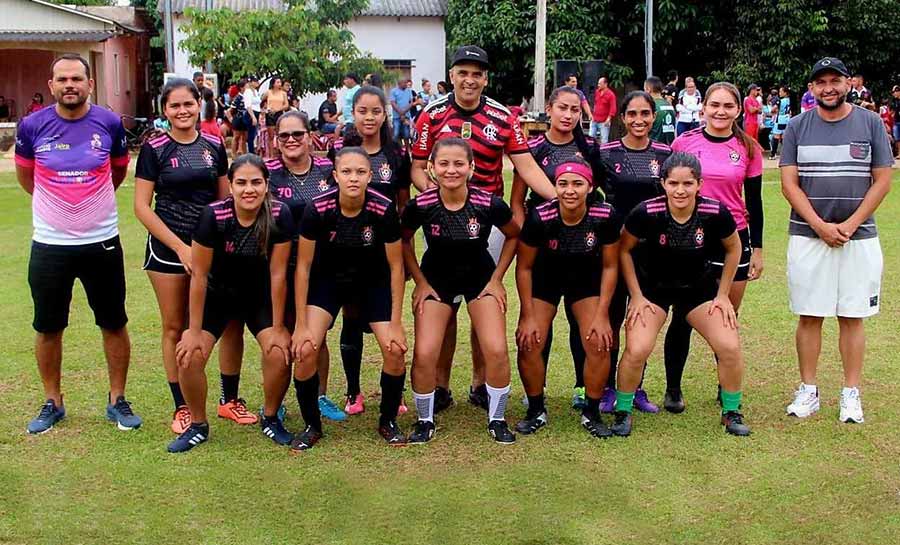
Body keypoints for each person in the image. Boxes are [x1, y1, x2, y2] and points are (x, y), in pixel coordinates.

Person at [412, 45, 556, 412]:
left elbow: (525, 166)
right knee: (444, 303)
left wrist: (560, 198)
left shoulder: (503, 116)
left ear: (486, 78)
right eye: (463, 72)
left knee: (482, 304)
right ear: (452, 75)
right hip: (444, 217)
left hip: (488, 220)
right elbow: (416, 167)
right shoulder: (430, 114)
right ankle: (440, 386)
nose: (470, 79)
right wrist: (441, 196)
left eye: (477, 73)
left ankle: (480, 382)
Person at [15, 53, 140, 434]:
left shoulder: (109, 123)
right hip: (50, 245)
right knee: (48, 327)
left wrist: (88, 211)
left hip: (101, 241)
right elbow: (26, 178)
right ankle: (53, 401)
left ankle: (117, 399)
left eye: (77, 78)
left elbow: (117, 173)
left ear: (90, 84)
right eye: (62, 79)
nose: (70, 85)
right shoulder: (32, 125)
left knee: (113, 322)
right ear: (51, 85)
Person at [780, 57, 892, 424]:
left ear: (849, 84)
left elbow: (882, 180)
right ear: (811, 88)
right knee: (810, 314)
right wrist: (820, 226)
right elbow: (789, 184)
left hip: (858, 238)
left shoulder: (871, 122)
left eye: (836, 81)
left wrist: (849, 223)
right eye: (821, 82)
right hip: (808, 235)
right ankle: (808, 391)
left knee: (852, 315)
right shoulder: (796, 126)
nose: (829, 88)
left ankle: (850, 395)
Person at [615, 152, 750, 437]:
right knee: (637, 348)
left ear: (699, 184)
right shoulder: (645, 212)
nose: (680, 190)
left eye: (688, 183)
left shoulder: (715, 212)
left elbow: (734, 248)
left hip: (698, 290)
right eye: (673, 183)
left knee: (729, 346)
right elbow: (623, 250)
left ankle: (731, 412)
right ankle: (623, 411)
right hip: (653, 290)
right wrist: (636, 296)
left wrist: (723, 294)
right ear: (663, 183)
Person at [170, 154, 295, 452]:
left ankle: (270, 417)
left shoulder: (280, 214)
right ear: (230, 185)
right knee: (189, 354)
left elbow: (278, 275)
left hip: (259, 296)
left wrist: (278, 327)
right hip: (218, 295)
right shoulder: (213, 215)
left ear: (267, 185)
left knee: (279, 352)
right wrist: (194, 329)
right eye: (241, 183)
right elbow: (199, 275)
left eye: (256, 182)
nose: (248, 189)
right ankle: (198, 424)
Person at [402, 138, 521, 444]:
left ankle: (497, 419)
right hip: (436, 281)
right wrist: (420, 281)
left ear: (471, 167)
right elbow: (402, 241)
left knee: (495, 348)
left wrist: (497, 279)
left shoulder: (488, 203)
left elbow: (513, 236)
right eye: (443, 163)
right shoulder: (422, 205)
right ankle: (425, 420)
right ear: (432, 167)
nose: (451, 170)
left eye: (458, 164)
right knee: (425, 352)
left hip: (480, 279)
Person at [134, 78, 235, 434]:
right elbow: (142, 208)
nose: (182, 111)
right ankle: (183, 407)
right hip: (168, 250)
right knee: (175, 327)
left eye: (188, 104)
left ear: (199, 105)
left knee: (223, 323)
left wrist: (218, 244)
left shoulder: (213, 143)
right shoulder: (154, 148)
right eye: (174, 106)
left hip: (210, 248)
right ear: (165, 110)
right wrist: (180, 247)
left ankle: (229, 400)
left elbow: (226, 200)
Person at [290, 147, 408, 451]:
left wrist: (396, 322)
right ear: (335, 176)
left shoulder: (383, 209)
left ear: (370, 176)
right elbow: (302, 267)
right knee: (304, 350)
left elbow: (396, 267)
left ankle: (388, 421)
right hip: (327, 283)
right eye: (346, 172)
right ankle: (311, 425)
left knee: (394, 350)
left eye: (360, 172)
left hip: (372, 283)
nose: (353, 178)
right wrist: (301, 324)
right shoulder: (317, 209)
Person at [664, 82, 763, 413]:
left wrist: (758, 249)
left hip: (734, 239)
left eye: (728, 106)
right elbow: (670, 190)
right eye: (714, 105)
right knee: (682, 315)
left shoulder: (748, 147)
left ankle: (726, 388)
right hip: (690, 238)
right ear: (702, 107)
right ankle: (673, 389)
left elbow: (755, 201)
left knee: (728, 316)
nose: (720, 112)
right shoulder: (684, 142)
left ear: (738, 110)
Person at [515, 158, 621, 438]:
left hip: (586, 281)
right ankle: (536, 409)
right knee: (529, 342)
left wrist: (602, 314)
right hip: (545, 279)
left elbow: (611, 266)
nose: (570, 190)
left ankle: (592, 412)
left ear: (590, 187)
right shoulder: (540, 217)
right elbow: (524, 267)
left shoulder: (604, 216)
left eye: (577, 184)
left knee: (599, 342)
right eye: (563, 184)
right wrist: (526, 315)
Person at [510, 86, 597, 410]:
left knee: (580, 322)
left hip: (581, 247)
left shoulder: (588, 148)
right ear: (549, 108)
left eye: (575, 110)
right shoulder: (531, 148)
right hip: (541, 244)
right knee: (536, 326)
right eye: (563, 108)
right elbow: (517, 202)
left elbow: (597, 198)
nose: (568, 115)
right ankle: (537, 390)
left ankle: (580, 385)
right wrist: (522, 239)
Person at [329, 85, 412, 416]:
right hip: (347, 251)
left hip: (385, 252)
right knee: (351, 317)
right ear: (354, 112)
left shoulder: (396, 154)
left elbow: (403, 203)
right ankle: (353, 392)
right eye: (363, 111)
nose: (369, 117)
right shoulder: (340, 149)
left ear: (385, 114)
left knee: (390, 319)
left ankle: (396, 391)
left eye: (376, 111)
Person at [595, 90, 674, 413]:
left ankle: (636, 388)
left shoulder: (666, 153)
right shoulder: (606, 153)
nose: (638, 120)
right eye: (632, 114)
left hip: (651, 252)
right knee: (611, 318)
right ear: (622, 118)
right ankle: (606, 388)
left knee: (641, 320)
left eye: (645, 114)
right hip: (614, 248)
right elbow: (592, 194)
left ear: (653, 117)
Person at [264, 111, 346, 422]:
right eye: (284, 136)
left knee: (316, 335)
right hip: (280, 266)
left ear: (310, 136)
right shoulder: (267, 172)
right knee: (281, 334)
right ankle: (277, 399)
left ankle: (320, 395)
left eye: (297, 134)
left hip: (322, 266)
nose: (291, 141)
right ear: (276, 140)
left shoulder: (329, 169)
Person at [262, 77, 290, 158]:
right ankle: (271, 155)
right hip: (270, 114)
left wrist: (278, 109)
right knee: (271, 135)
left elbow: (286, 105)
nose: (279, 84)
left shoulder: (283, 93)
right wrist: (265, 109)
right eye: (277, 82)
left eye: (280, 82)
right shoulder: (268, 92)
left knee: (280, 134)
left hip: (279, 113)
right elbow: (261, 100)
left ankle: (280, 152)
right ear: (273, 83)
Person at [645, 76, 676, 144]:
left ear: (648, 89)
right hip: (669, 147)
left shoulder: (650, 106)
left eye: (645, 89)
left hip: (654, 147)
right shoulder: (669, 105)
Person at [226, 78, 249, 156]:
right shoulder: (237, 98)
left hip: (245, 119)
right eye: (246, 86)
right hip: (238, 119)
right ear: (242, 88)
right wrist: (231, 119)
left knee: (244, 137)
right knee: (236, 136)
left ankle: (244, 153)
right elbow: (231, 110)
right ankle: (233, 154)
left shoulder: (248, 97)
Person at [591, 77, 617, 143]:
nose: (598, 85)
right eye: (598, 83)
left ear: (605, 84)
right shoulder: (597, 92)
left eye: (600, 84)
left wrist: (608, 119)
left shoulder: (611, 95)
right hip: (594, 119)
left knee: (604, 141)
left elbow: (613, 108)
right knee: (591, 138)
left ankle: (603, 153)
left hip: (604, 121)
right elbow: (595, 103)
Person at [390, 78, 414, 145]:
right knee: (396, 134)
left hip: (406, 116)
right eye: (404, 83)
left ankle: (407, 150)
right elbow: (393, 103)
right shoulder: (393, 91)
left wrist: (403, 112)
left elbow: (411, 102)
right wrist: (401, 113)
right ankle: (397, 148)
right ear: (399, 84)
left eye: (406, 83)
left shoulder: (409, 91)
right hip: (396, 116)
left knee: (406, 134)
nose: (406, 84)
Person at [770, 86, 792, 159]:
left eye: (780, 91)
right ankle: (787, 154)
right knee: (784, 137)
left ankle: (773, 154)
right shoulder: (789, 100)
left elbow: (773, 109)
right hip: (787, 118)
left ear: (785, 93)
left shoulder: (780, 101)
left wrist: (773, 110)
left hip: (780, 119)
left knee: (776, 136)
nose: (779, 93)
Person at [243, 76, 262, 155]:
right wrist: (253, 117)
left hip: (257, 112)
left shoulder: (256, 92)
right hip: (251, 113)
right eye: (255, 81)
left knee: (254, 133)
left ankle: (252, 150)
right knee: (251, 134)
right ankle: (250, 152)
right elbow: (248, 105)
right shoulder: (248, 92)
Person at [890, 85, 900, 157]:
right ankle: (899, 153)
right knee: (897, 138)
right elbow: (891, 111)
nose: (894, 94)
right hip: (896, 121)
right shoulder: (894, 101)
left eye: (895, 92)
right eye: (893, 92)